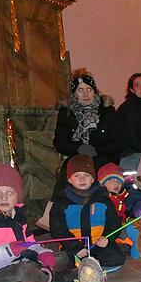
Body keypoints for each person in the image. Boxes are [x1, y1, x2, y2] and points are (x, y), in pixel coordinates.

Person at [52, 68, 121, 197]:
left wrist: (94, 150)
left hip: (103, 156)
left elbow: (117, 142)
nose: (86, 94)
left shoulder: (108, 111)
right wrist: (80, 148)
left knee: (106, 175)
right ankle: (59, 210)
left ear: (94, 90)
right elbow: (60, 142)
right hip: (76, 156)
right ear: (74, 94)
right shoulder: (66, 113)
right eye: (80, 90)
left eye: (89, 89)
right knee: (70, 173)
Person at [50, 155, 126, 268]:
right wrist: (75, 246)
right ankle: (82, 263)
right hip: (74, 247)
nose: (82, 179)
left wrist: (108, 238)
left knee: (117, 258)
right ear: (69, 179)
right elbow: (58, 229)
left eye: (86, 175)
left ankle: (93, 262)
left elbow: (114, 222)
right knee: (64, 263)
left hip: (98, 245)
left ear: (92, 179)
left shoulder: (103, 200)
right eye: (77, 175)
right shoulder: (62, 202)